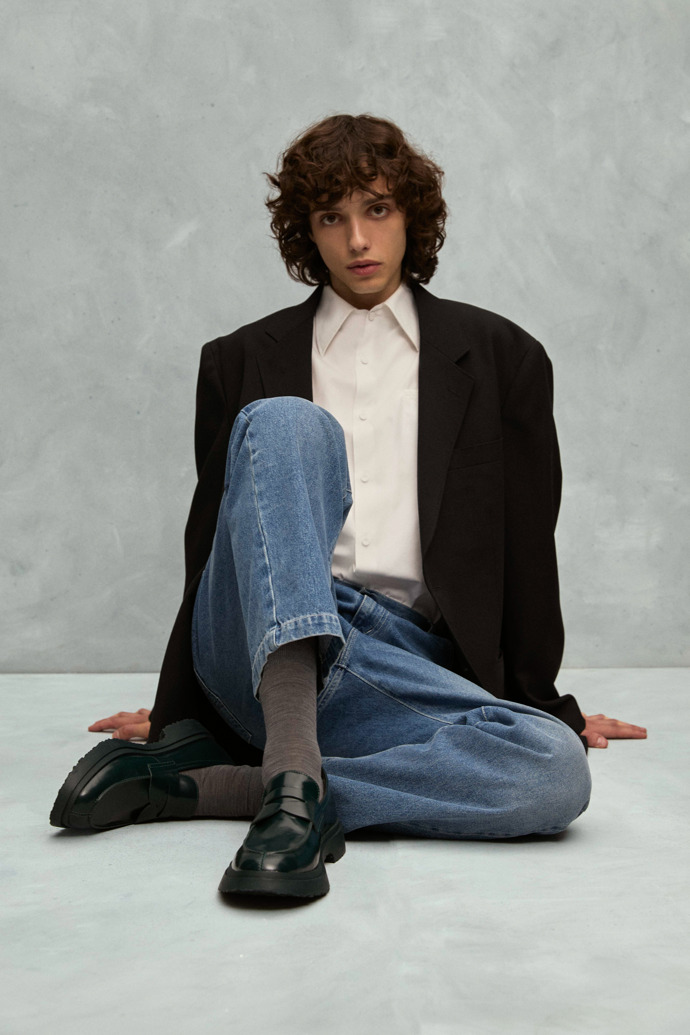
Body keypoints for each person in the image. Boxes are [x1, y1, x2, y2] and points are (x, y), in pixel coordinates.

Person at [51, 114, 647, 899]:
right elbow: (211, 542)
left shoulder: (505, 358)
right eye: (331, 217)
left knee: (551, 771)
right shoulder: (239, 360)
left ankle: (231, 786)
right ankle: (292, 768)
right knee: (284, 422)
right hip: (266, 635)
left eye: (376, 210)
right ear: (308, 231)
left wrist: (543, 708)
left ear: (411, 218)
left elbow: (529, 544)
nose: (356, 239)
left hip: (401, 662)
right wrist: (177, 709)